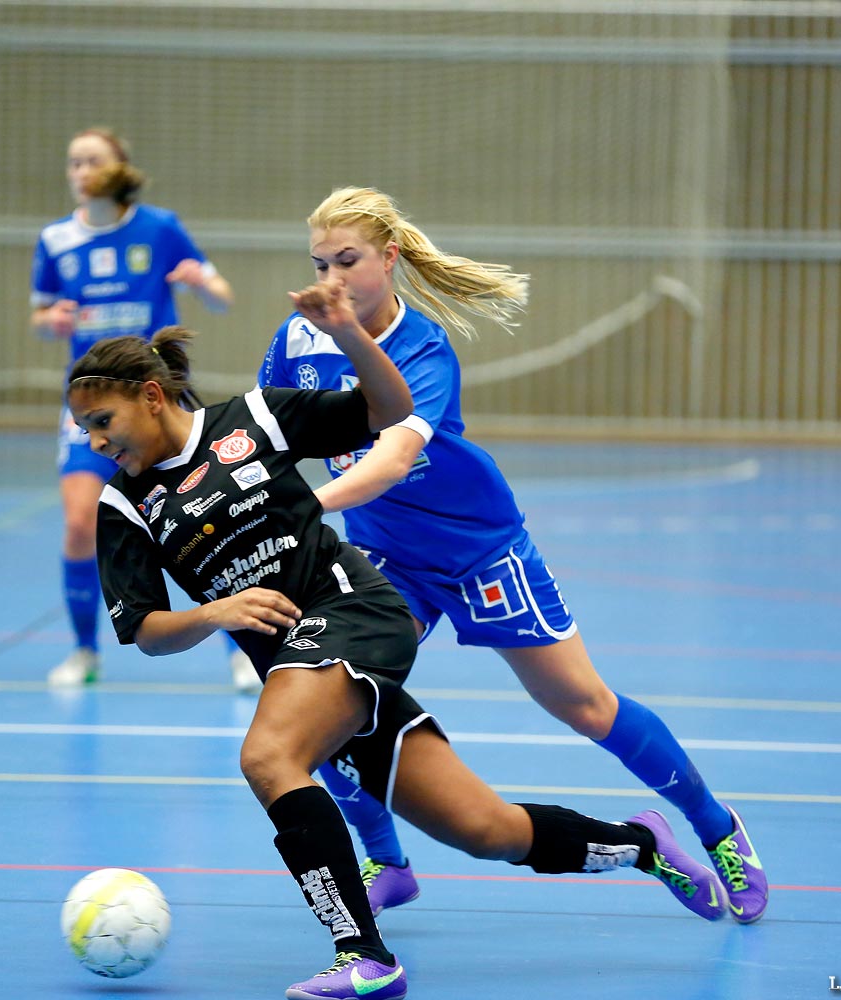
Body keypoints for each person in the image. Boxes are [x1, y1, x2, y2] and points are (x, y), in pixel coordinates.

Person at [74, 306, 727, 1000]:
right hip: (307, 673)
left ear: (150, 394)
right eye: (84, 429)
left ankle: (364, 956)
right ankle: (641, 845)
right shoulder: (124, 506)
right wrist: (214, 613)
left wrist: (351, 334)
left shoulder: (252, 420)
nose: (94, 441)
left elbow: (386, 409)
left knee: (269, 757)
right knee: (487, 830)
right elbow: (144, 629)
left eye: (102, 421)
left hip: (352, 613)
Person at [257, 186, 768, 925]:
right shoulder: (296, 340)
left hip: (478, 550)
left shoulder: (424, 349)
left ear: (389, 258)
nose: (332, 279)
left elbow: (395, 458)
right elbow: (272, 433)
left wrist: (310, 507)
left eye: (348, 260)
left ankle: (717, 830)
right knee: (326, 703)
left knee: (586, 706)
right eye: (319, 262)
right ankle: (386, 860)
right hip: (385, 556)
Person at [29, 126, 258, 692]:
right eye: (73, 161)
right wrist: (50, 323)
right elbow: (39, 315)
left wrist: (200, 282)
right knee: (81, 523)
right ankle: (85, 652)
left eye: (92, 160)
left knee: (206, 522)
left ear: (119, 167)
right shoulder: (56, 240)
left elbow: (222, 294)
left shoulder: (159, 228)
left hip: (154, 404)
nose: (81, 170)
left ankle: (241, 649)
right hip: (89, 409)